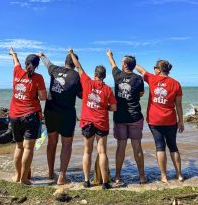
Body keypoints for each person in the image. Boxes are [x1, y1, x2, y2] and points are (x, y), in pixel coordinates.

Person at [68, 49, 117, 189]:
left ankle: (86, 181)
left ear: (95, 75)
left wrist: (71, 53)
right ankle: (105, 182)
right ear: (104, 76)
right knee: (102, 152)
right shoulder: (108, 89)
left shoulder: (87, 82)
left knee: (87, 152)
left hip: (88, 122)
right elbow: (114, 108)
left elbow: (78, 66)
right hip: (101, 123)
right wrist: (104, 107)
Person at [136, 60, 184, 183]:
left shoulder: (152, 79)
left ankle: (163, 176)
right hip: (171, 120)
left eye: (155, 67)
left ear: (159, 69)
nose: (153, 70)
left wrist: (132, 62)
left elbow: (141, 70)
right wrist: (181, 121)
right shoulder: (176, 84)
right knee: (173, 147)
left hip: (154, 120)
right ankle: (179, 175)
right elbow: (178, 105)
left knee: (160, 147)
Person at [38, 51, 82, 185]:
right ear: (75, 63)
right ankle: (62, 176)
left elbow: (47, 63)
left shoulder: (55, 69)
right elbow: (81, 95)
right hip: (67, 113)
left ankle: (51, 173)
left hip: (50, 111)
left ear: (65, 61)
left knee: (52, 141)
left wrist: (42, 55)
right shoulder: (76, 75)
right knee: (66, 143)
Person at [106, 50, 146, 184]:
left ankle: (117, 176)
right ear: (134, 66)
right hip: (135, 116)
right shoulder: (138, 78)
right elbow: (141, 94)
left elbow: (112, 64)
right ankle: (142, 177)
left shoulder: (117, 75)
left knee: (120, 147)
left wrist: (109, 55)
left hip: (120, 118)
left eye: (122, 62)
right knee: (137, 147)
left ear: (124, 65)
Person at [9, 47, 47, 184]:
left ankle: (17, 176)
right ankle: (24, 179)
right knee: (28, 148)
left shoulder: (17, 71)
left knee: (19, 147)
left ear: (25, 63)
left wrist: (13, 54)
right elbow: (43, 97)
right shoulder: (38, 78)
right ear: (36, 66)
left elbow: (15, 62)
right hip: (30, 115)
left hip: (14, 115)